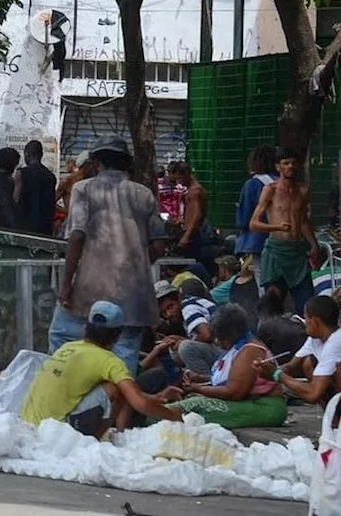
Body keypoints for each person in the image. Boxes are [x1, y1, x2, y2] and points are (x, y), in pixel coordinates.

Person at [52, 136, 168, 375]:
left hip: (88, 292)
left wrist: (66, 285)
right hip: (134, 298)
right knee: (122, 361)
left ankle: (66, 401)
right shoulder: (145, 194)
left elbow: (76, 235)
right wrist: (136, 267)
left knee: (63, 340)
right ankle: (116, 406)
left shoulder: (83, 189)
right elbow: (158, 245)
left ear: (96, 162)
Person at [21, 300, 183, 438]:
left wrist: (156, 397)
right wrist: (171, 415)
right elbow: (138, 402)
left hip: (31, 425)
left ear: (86, 328)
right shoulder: (109, 361)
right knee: (116, 387)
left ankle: (118, 431)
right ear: (118, 335)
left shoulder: (67, 347)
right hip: (60, 432)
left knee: (120, 385)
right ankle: (116, 435)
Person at [257, 295, 341, 449]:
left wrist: (277, 375)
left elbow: (313, 394)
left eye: (306, 319)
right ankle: (337, 429)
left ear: (315, 321)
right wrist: (268, 368)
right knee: (309, 363)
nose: (305, 323)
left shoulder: (338, 342)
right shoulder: (316, 339)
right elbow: (291, 366)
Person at [165, 304, 287, 429]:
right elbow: (232, 380)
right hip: (252, 403)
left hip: (265, 407)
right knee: (192, 404)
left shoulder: (249, 351)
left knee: (195, 405)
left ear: (230, 335)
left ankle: (152, 414)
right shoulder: (239, 348)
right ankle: (155, 411)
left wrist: (197, 388)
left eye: (220, 338)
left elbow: (234, 392)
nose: (218, 343)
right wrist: (199, 378)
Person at [251, 148, 322, 313]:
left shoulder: (303, 191)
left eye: (293, 163)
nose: (290, 166)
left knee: (306, 303)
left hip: (297, 252)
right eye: (285, 163)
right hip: (276, 251)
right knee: (272, 303)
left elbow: (303, 220)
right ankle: (267, 334)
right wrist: (276, 227)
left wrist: (314, 245)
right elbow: (254, 223)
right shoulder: (270, 190)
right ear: (278, 167)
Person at [234, 145, 277, 279]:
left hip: (260, 241)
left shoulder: (253, 184)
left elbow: (244, 219)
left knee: (264, 279)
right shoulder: (281, 183)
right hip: (284, 239)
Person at [168, 161, 214, 271]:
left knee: (192, 265)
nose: (178, 182)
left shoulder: (194, 191)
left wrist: (186, 237)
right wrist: (183, 220)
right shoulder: (191, 190)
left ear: (185, 174)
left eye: (179, 178)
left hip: (194, 235)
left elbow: (197, 215)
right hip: (191, 231)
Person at [174, 278, 224, 377]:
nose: (169, 313)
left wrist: (183, 342)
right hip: (230, 350)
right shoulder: (201, 303)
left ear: (179, 298)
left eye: (170, 306)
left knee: (185, 347)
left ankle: (207, 385)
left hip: (228, 352)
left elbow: (207, 336)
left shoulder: (187, 306)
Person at [14, 140, 57, 236]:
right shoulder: (50, 176)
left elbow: (15, 201)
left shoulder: (21, 173)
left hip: (24, 226)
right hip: (45, 228)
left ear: (27, 154)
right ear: (41, 155)